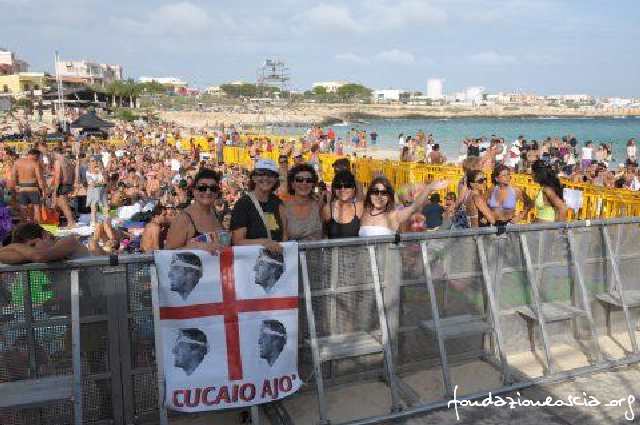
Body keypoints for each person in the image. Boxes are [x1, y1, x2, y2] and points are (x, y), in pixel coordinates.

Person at [359, 177, 448, 236]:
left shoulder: (394, 216)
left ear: (389, 196)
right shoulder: (363, 212)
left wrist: (429, 188)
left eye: (384, 193)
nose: (379, 196)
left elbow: (414, 207)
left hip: (385, 263)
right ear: (370, 194)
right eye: (375, 192)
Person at [231, 159, 283, 253]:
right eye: (261, 174)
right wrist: (264, 242)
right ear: (254, 178)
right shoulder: (243, 204)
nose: (266, 178)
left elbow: (284, 236)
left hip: (276, 260)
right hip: (251, 263)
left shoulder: (278, 203)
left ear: (275, 180)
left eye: (271, 174)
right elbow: (237, 241)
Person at [165, 168, 223, 253]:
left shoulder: (216, 214)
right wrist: (194, 248)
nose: (208, 192)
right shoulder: (184, 218)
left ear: (217, 192)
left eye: (213, 188)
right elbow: (167, 253)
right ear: (194, 191)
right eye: (202, 188)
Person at [0, 223, 87, 264]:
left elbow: (39, 256)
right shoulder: (31, 254)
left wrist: (14, 246)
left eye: (32, 246)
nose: (29, 251)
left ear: (45, 235)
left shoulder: (69, 241)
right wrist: (17, 248)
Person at [279, 164, 323, 241]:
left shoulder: (319, 204)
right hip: (293, 252)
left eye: (309, 180)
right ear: (292, 184)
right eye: (299, 180)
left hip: (316, 252)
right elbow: (283, 238)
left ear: (313, 184)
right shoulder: (283, 207)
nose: (304, 183)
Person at [322, 170, 363, 238]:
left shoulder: (359, 207)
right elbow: (322, 234)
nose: (342, 189)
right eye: (338, 186)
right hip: (333, 248)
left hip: (356, 249)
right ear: (334, 189)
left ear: (353, 189)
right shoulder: (329, 208)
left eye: (347, 185)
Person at [13, 149, 46, 223]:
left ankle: (24, 227)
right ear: (34, 155)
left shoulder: (17, 162)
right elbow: (39, 178)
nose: (37, 158)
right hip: (33, 188)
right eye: (37, 157)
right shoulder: (35, 163)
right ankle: (37, 227)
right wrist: (43, 191)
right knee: (36, 208)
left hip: (22, 188)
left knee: (23, 208)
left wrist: (15, 187)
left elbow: (13, 176)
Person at [51, 147, 77, 227]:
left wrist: (55, 190)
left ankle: (71, 223)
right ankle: (61, 222)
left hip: (62, 185)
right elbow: (73, 174)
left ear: (55, 153)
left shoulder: (58, 161)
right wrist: (72, 185)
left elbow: (58, 176)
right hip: (68, 184)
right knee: (58, 205)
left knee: (64, 206)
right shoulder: (69, 161)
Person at [85, 158, 109, 227]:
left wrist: (101, 172)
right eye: (92, 161)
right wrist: (100, 183)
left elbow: (105, 182)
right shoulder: (88, 172)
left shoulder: (101, 171)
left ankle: (106, 221)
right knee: (94, 207)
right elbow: (91, 183)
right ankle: (93, 222)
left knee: (104, 206)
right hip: (93, 191)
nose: (94, 162)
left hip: (102, 191)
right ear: (89, 163)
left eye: (95, 161)